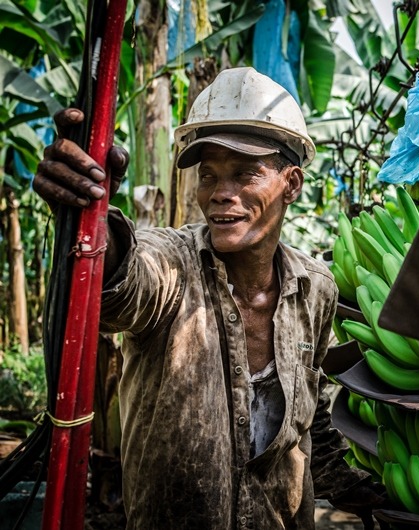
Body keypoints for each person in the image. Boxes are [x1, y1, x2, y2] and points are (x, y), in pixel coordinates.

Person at [33, 67, 386, 529]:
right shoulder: (174, 265)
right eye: (209, 175)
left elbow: (309, 423)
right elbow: (126, 281)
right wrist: (92, 217)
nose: (221, 194)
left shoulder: (315, 287)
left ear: (292, 184)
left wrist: (378, 499)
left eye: (245, 173)